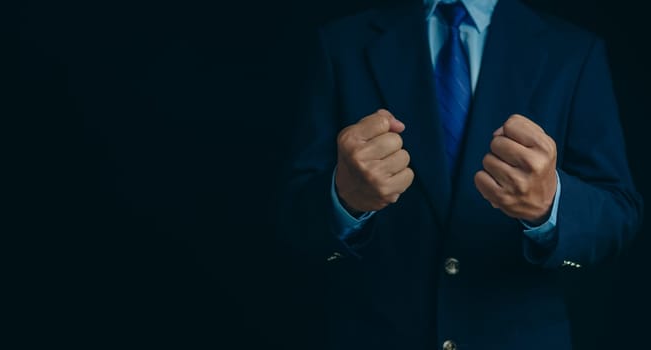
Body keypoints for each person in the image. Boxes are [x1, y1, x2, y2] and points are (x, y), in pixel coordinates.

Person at [276, 0, 644, 349]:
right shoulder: (342, 44)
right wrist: (344, 200)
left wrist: (551, 205)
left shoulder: (574, 52)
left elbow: (618, 213)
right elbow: (292, 216)